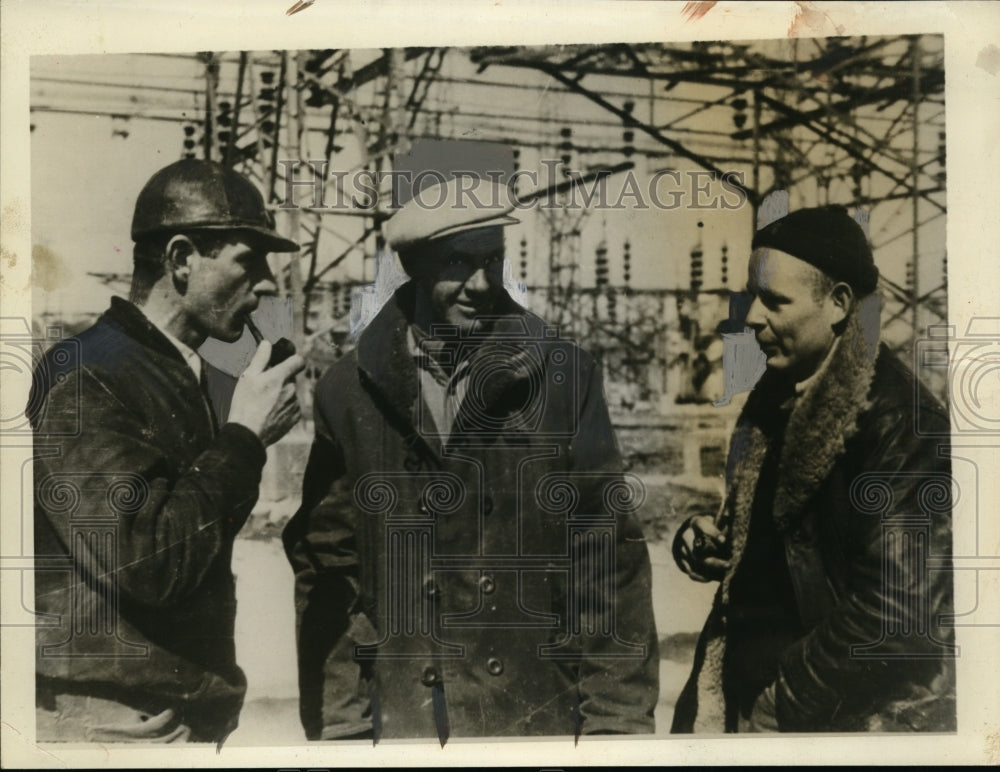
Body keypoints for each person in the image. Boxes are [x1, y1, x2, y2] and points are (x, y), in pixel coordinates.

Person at [282, 166, 659, 741]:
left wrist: (617, 724)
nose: (482, 284)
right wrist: (342, 724)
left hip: (532, 714)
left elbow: (607, 558)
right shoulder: (348, 390)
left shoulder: (562, 378)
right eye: (459, 263)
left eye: (493, 260)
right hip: (405, 720)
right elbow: (331, 570)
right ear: (414, 268)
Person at [31, 159, 305, 744]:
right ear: (181, 259)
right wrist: (244, 439)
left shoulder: (171, 369)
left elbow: (194, 534)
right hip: (112, 717)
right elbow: (147, 561)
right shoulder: (86, 374)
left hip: (162, 707)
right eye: (247, 260)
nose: (267, 284)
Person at [671, 206, 955, 733]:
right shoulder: (775, 398)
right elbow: (769, 543)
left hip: (820, 718)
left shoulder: (900, 423)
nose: (752, 316)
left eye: (775, 301)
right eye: (753, 297)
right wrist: (709, 539)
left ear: (839, 304)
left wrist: (786, 702)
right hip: (747, 699)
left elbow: (896, 612)